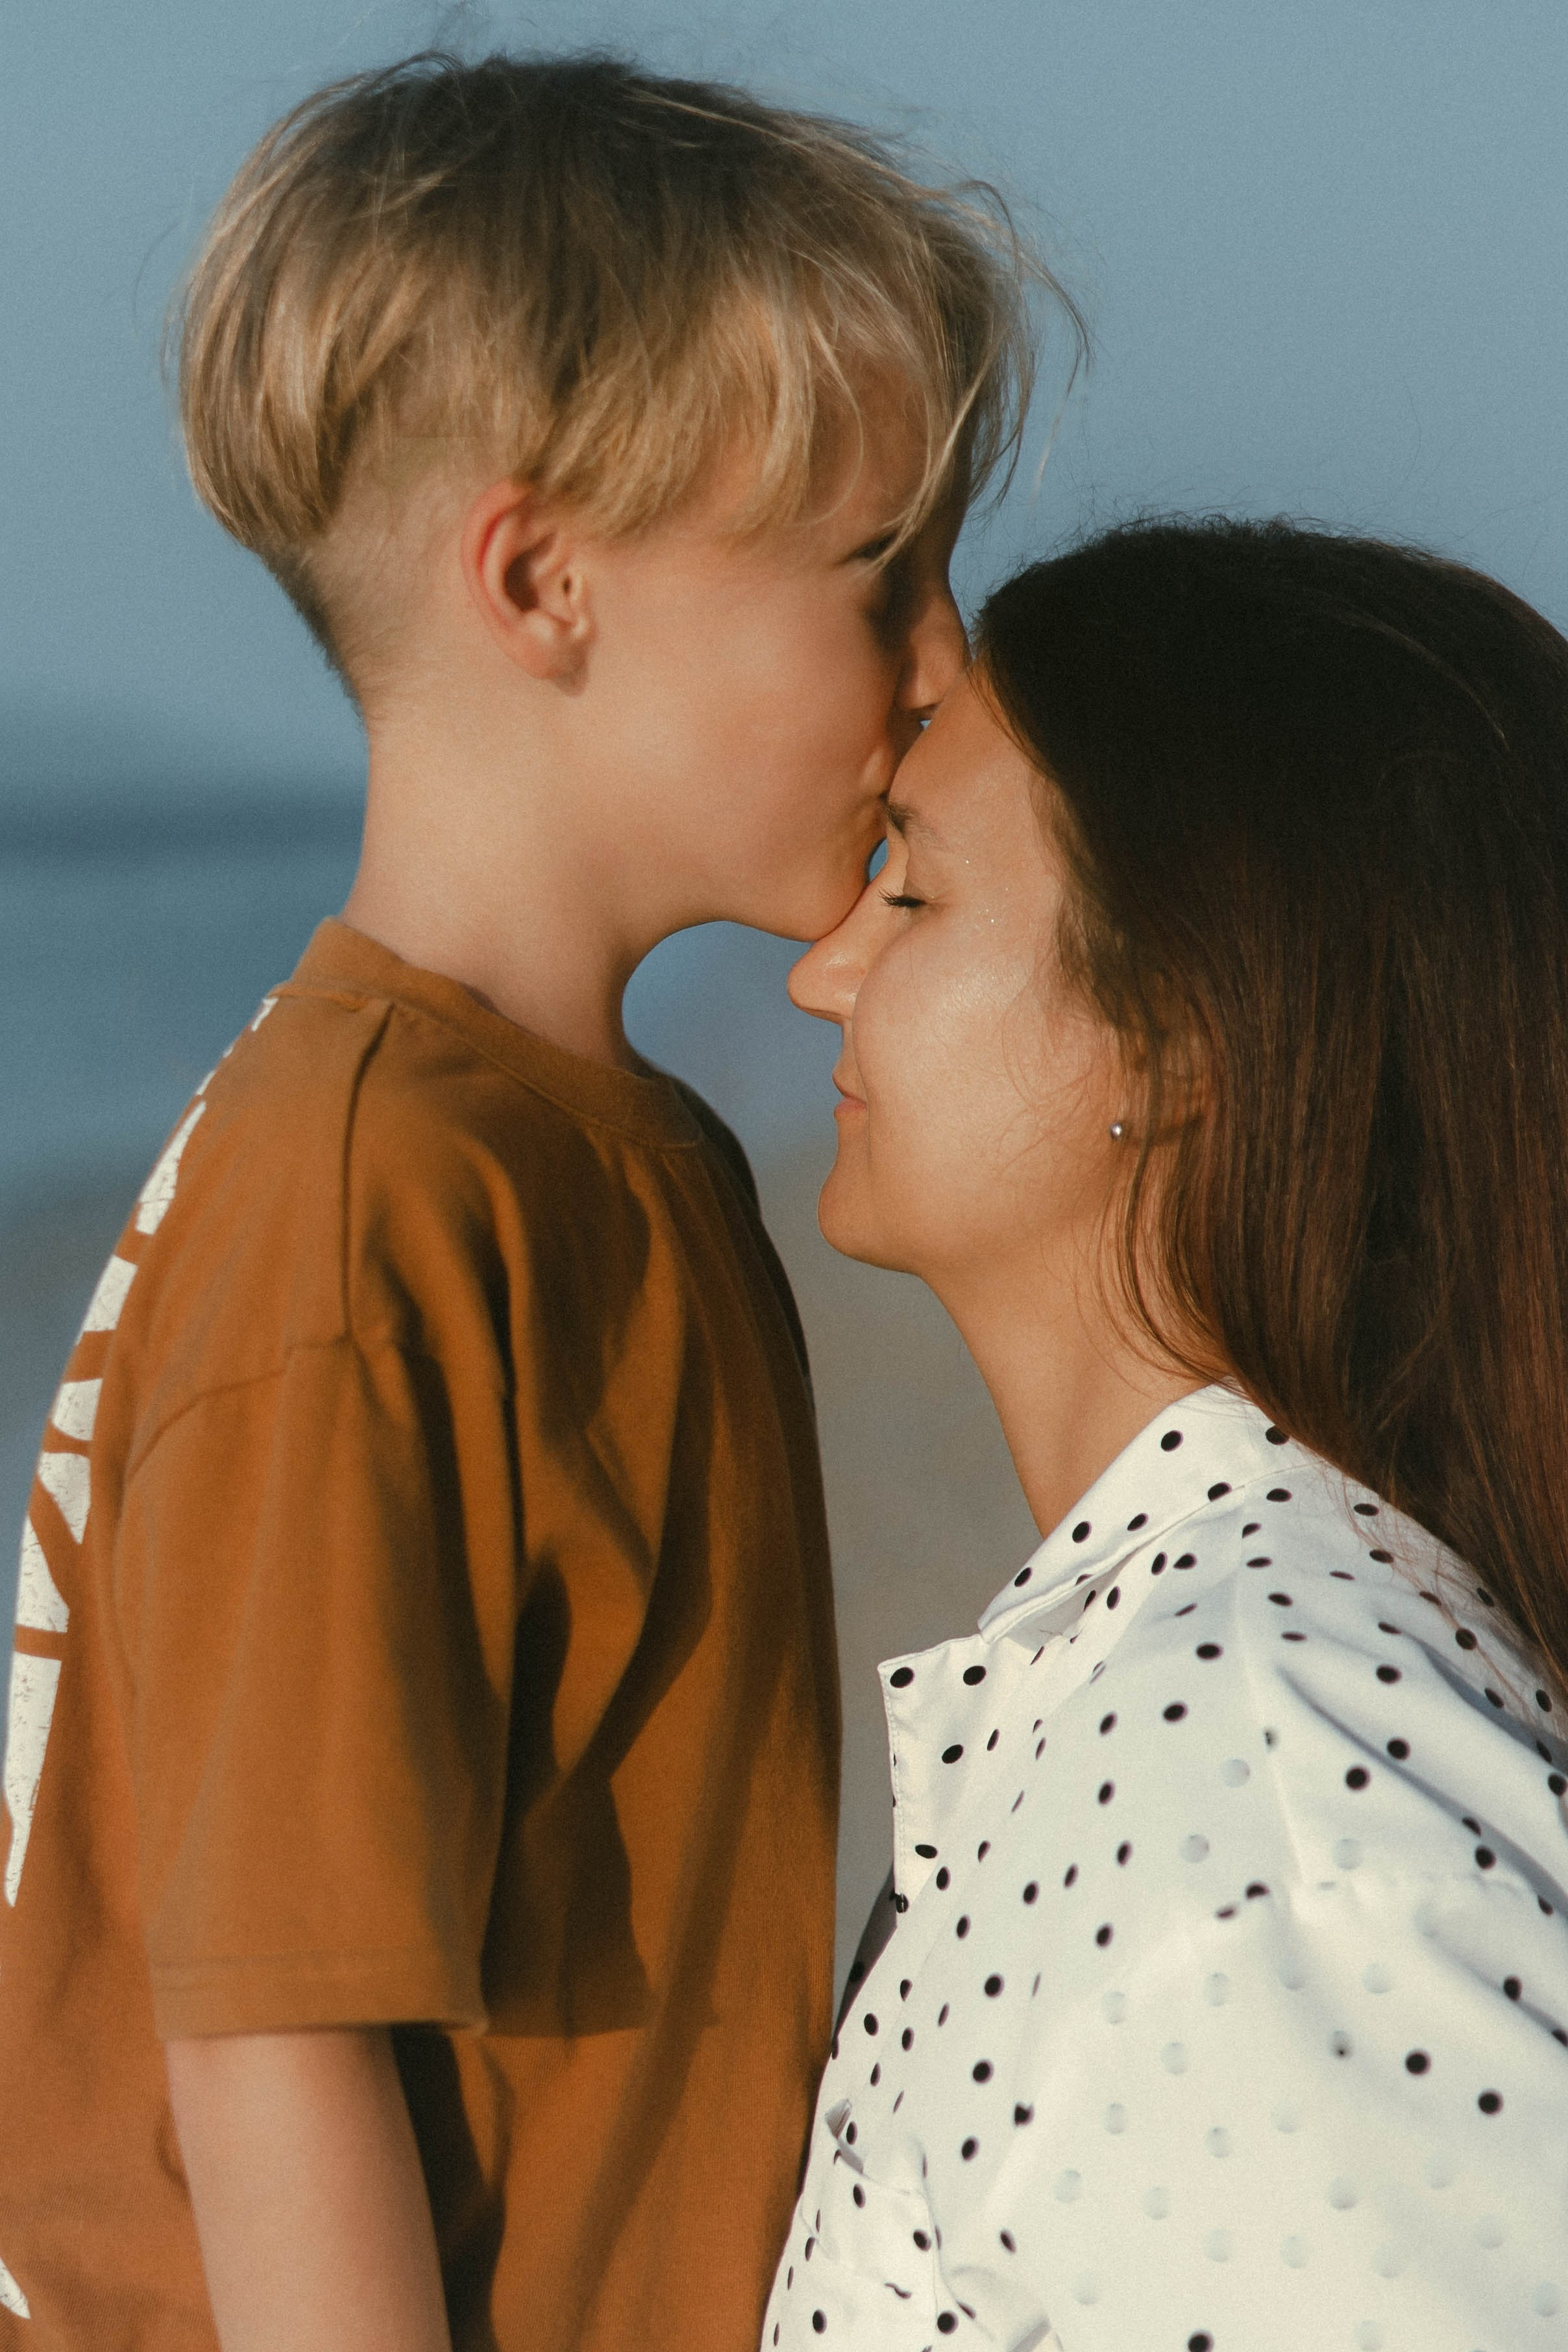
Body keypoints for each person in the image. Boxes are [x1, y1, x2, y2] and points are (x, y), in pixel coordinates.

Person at [0, 51, 1066, 2352]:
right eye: (879, 570)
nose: (945, 662)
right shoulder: (374, 1198)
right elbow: (277, 2035)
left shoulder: (608, 1150)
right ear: (541, 581)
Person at [767, 516, 1568, 2351]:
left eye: (914, 892)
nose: (822, 970)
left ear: (1180, 1030)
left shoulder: (1257, 1801)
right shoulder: (1204, 1696)